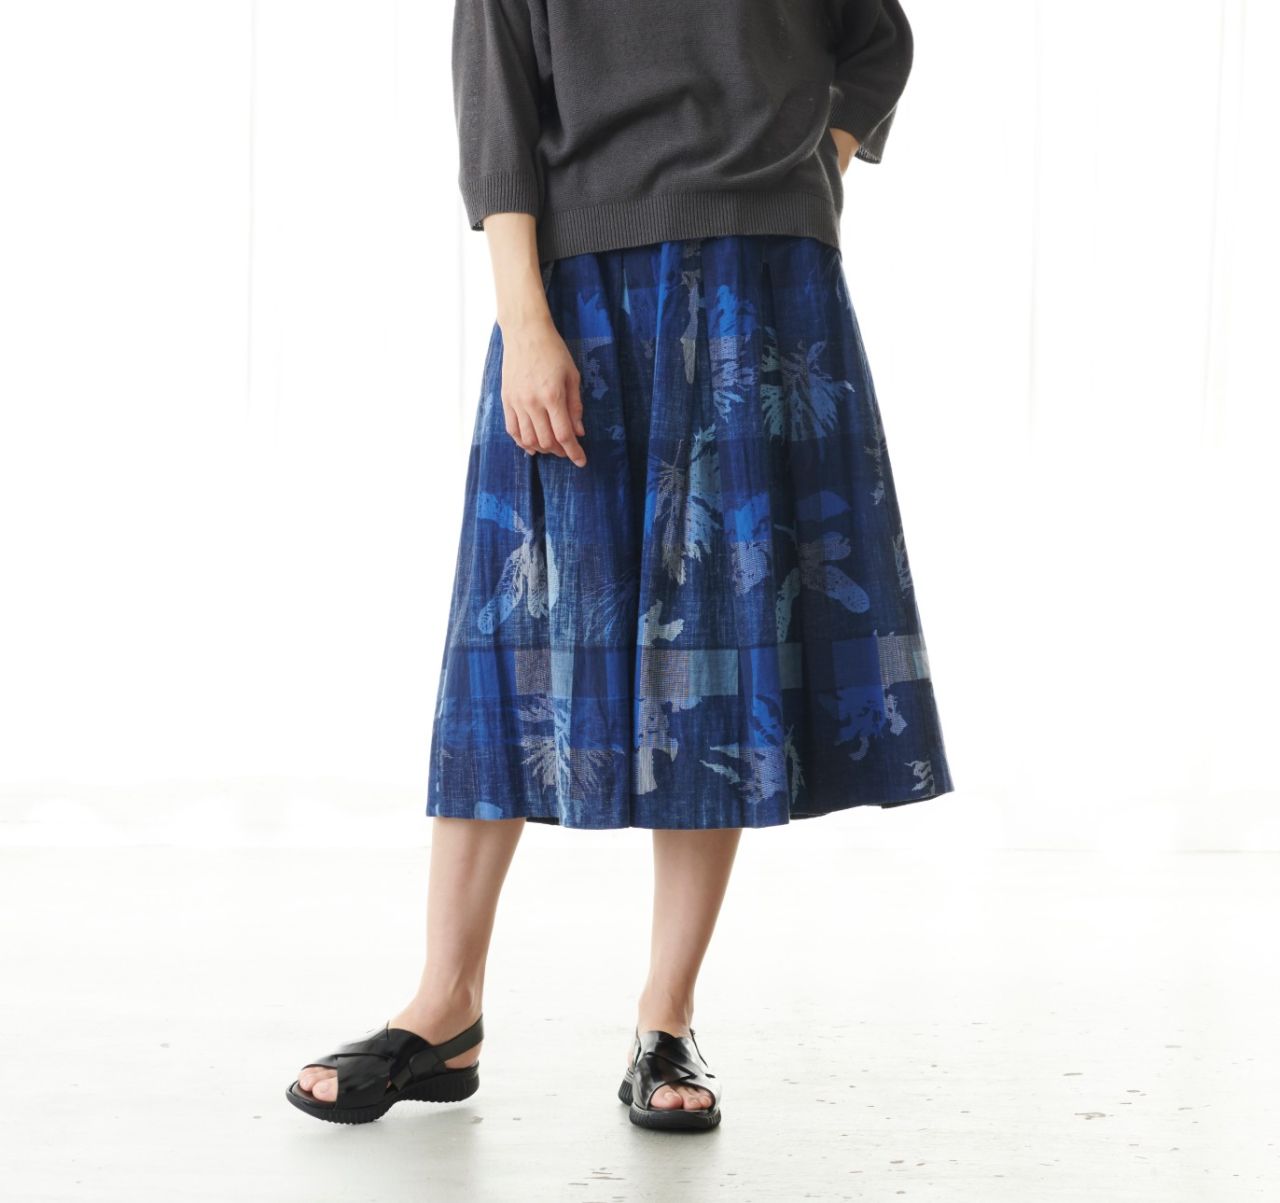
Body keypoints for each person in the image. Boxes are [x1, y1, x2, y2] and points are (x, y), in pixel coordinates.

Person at [286, 0, 954, 1132]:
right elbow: (498, 118)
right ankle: (444, 1006)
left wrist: (816, 164)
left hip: (764, 282)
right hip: (578, 287)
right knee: (511, 640)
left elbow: (875, 37)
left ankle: (665, 1019)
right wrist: (524, 322)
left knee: (713, 652)